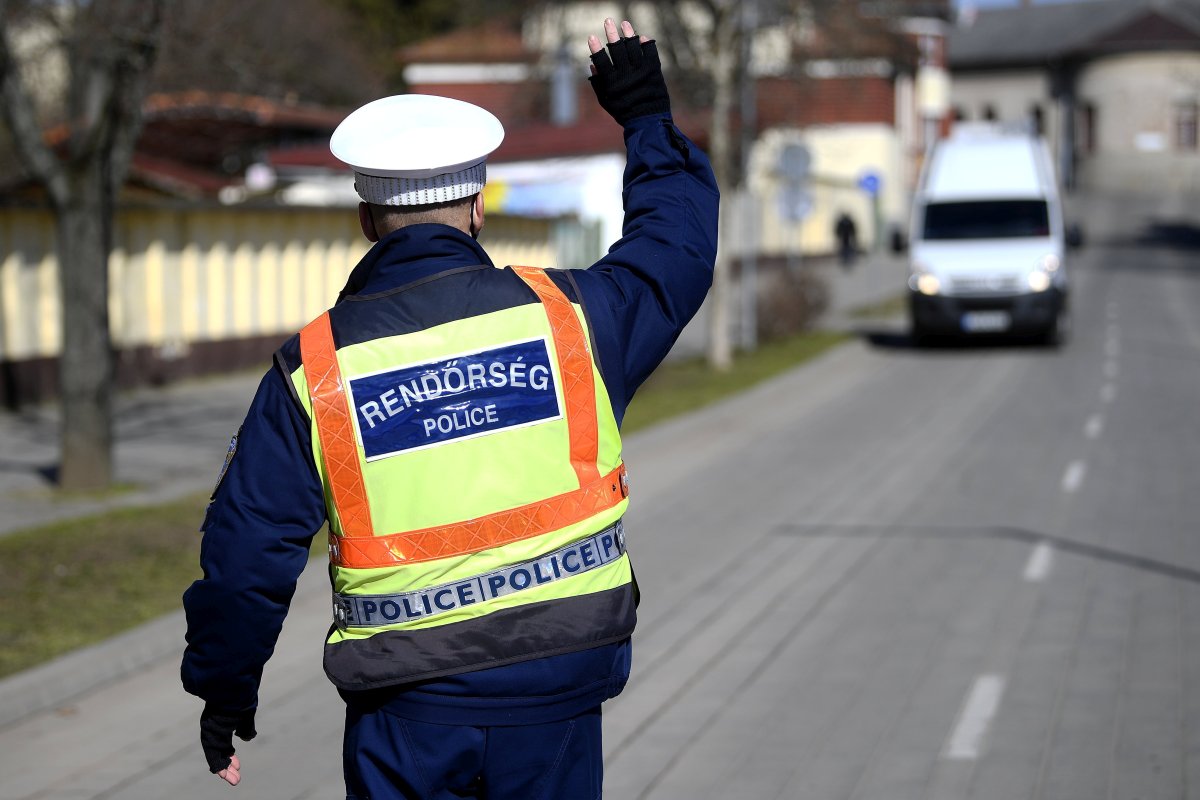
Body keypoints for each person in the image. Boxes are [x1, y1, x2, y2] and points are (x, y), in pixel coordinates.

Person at [181, 16, 718, 800]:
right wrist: (645, 118)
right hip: (559, 696)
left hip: (408, 712)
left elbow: (246, 556)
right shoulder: (572, 318)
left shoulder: (314, 371)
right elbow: (677, 249)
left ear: (367, 222)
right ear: (476, 209)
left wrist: (224, 691)